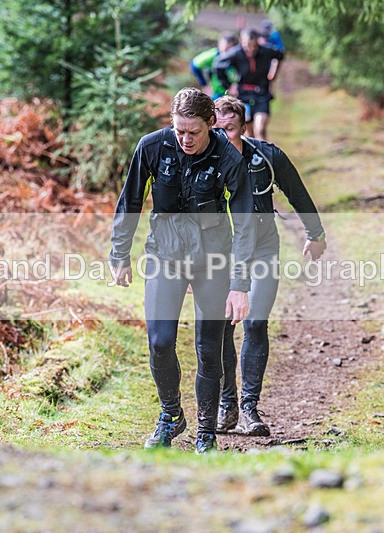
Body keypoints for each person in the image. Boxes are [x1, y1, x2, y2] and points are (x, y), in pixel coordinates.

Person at [110, 88, 256, 454]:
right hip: (165, 255)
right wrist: (119, 254)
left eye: (193, 132)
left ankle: (206, 431)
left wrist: (240, 284)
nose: (186, 139)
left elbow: (246, 224)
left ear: (211, 123)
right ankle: (171, 415)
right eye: (179, 131)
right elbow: (129, 201)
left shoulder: (228, 157)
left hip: (213, 260)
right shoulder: (152, 146)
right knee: (159, 342)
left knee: (209, 348)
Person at [212, 95, 326, 436]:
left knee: (256, 322)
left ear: (244, 128)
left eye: (230, 129)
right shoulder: (202, 161)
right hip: (220, 256)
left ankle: (249, 407)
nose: (223, 136)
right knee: (221, 329)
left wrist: (315, 232)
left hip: (262, 251)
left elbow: (298, 193)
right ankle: (226, 404)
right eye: (216, 130)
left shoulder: (267, 156)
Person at [214, 28, 284, 142]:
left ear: (258, 42)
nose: (251, 49)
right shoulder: (236, 53)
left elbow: (280, 55)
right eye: (247, 45)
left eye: (254, 45)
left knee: (260, 129)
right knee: (248, 132)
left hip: (262, 93)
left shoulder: (265, 51)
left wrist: (273, 73)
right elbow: (219, 65)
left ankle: (264, 157)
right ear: (241, 41)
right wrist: (229, 86)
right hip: (243, 95)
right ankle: (252, 158)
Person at [190, 34, 238, 100]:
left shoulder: (238, 57)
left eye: (228, 50)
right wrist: (205, 85)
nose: (225, 53)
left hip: (235, 94)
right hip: (217, 94)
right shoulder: (213, 55)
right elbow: (194, 65)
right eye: (223, 49)